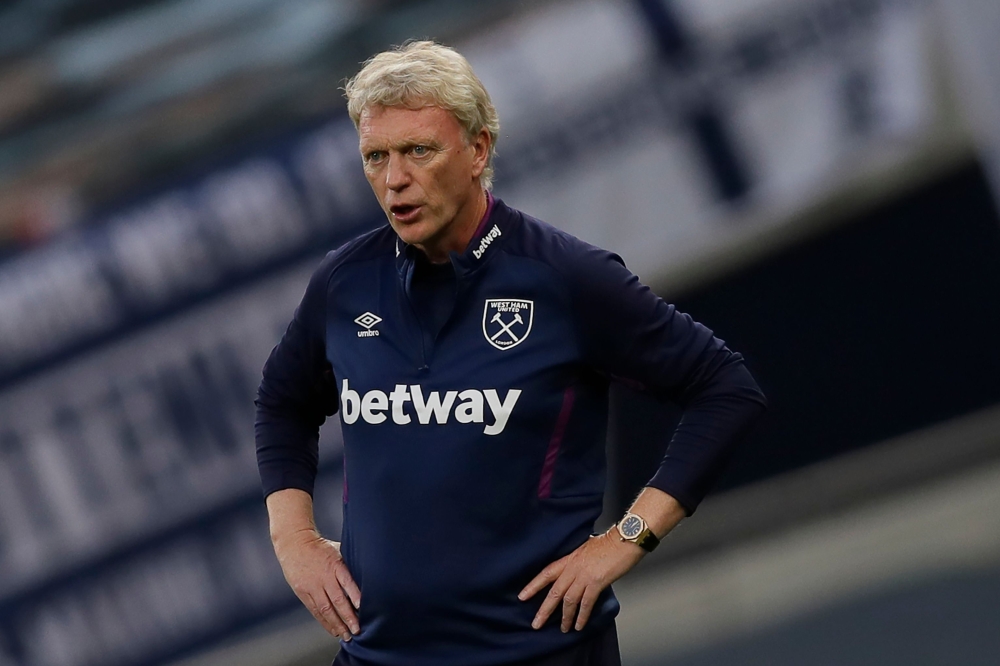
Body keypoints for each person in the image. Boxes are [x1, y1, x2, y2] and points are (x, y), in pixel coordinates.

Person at [255, 41, 767, 666]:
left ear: (478, 149)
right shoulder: (344, 283)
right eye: (375, 157)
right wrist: (294, 540)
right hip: (379, 659)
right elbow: (282, 402)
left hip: (537, 658)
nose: (394, 180)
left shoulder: (565, 278)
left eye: (419, 150)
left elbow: (725, 388)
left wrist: (628, 536)